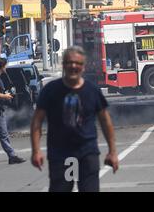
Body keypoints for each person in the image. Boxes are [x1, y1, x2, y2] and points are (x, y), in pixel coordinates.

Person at [30, 46, 119, 192]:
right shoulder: (51, 90)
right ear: (63, 65)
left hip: (87, 152)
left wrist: (112, 152)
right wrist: (36, 150)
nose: (73, 66)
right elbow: (37, 121)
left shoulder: (92, 90)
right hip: (60, 154)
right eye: (69, 62)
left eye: (77, 63)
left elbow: (105, 121)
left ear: (83, 67)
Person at [0, 58, 26, 165]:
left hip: (0, 110)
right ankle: (12, 156)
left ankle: (12, 156)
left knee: (4, 134)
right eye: (5, 65)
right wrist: (5, 96)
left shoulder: (0, 78)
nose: (6, 67)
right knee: (4, 135)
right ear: (1, 66)